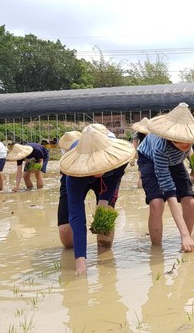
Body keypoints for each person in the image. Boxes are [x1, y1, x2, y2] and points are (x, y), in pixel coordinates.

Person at [59, 124, 135, 274]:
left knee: (105, 217)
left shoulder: (119, 158)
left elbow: (114, 179)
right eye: (94, 162)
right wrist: (80, 262)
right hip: (80, 175)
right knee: (66, 235)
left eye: (100, 162)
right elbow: (77, 215)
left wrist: (103, 202)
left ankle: (104, 263)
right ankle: (78, 253)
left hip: (109, 180)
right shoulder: (73, 171)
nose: (98, 168)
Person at [137, 103, 194, 251]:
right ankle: (157, 250)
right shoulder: (160, 149)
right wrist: (182, 234)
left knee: (190, 202)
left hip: (175, 161)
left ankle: (187, 244)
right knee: (157, 203)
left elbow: (189, 153)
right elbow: (169, 191)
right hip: (149, 159)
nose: (185, 144)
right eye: (180, 139)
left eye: (188, 140)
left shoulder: (188, 140)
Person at [57, 130, 82, 249]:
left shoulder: (88, 146)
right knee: (66, 236)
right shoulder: (64, 152)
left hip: (95, 170)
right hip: (70, 173)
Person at [131, 117, 149, 188]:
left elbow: (134, 146)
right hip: (147, 153)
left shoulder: (137, 134)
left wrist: (133, 157)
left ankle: (140, 186)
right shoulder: (153, 133)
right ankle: (141, 186)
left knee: (141, 172)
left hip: (142, 152)